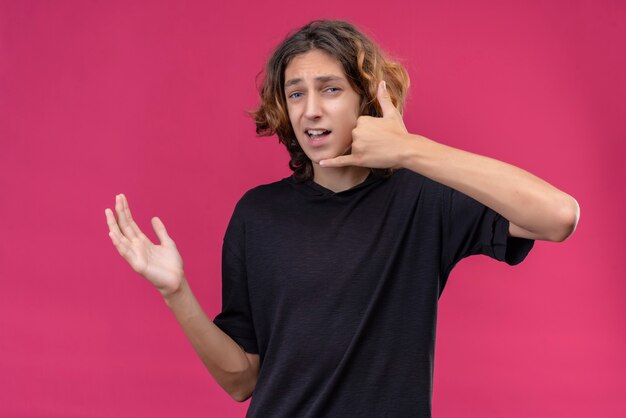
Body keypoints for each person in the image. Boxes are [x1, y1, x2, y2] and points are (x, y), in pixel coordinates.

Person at [105, 19, 579, 418]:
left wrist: (412, 150)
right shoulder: (257, 215)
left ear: (366, 99)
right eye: (295, 94)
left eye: (330, 89)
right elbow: (241, 380)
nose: (310, 110)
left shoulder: (423, 201)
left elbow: (557, 216)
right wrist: (175, 293)